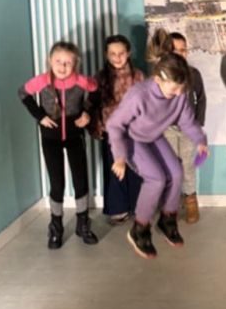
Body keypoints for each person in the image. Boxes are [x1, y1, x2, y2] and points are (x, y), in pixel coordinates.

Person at [106, 42, 208, 260]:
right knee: (157, 179)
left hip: (153, 137)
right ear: (159, 80)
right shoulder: (139, 95)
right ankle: (140, 229)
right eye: (174, 89)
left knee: (177, 173)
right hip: (132, 139)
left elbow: (187, 120)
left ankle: (167, 220)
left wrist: (200, 140)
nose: (179, 93)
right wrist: (120, 157)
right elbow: (114, 125)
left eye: (181, 89)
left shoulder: (179, 94)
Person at [18, 41, 98, 249]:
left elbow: (96, 91)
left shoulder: (81, 81)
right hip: (50, 138)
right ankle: (56, 226)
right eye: (58, 61)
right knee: (57, 182)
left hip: (74, 136)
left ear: (75, 64)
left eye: (68, 63)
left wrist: (87, 113)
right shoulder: (42, 81)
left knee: (80, 179)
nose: (62, 67)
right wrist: (40, 116)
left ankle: (83, 223)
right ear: (50, 61)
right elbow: (22, 93)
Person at [90, 34, 144, 224]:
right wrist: (96, 125)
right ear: (107, 55)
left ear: (128, 53)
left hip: (135, 130)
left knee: (136, 169)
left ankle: (138, 206)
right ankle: (118, 208)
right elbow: (93, 103)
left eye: (121, 53)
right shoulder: (100, 77)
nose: (117, 57)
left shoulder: (138, 76)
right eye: (112, 54)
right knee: (115, 169)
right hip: (112, 132)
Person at [164, 32, 206, 224]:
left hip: (188, 128)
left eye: (183, 50)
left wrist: (198, 124)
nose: (180, 54)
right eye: (175, 50)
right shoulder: (161, 75)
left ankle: (190, 201)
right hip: (167, 129)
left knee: (188, 165)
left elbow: (201, 99)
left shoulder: (193, 74)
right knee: (171, 167)